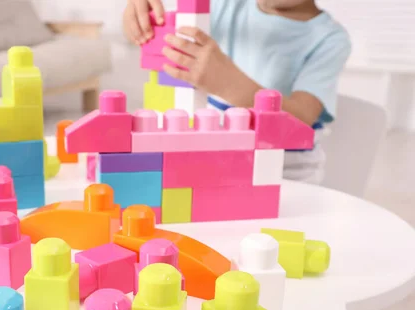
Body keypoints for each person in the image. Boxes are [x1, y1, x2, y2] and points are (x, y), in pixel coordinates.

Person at [123, 0, 352, 184]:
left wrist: (226, 82)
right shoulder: (225, 6)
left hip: (286, 171)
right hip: (216, 157)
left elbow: (301, 120)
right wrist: (142, 16)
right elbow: (168, 24)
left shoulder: (330, 39)